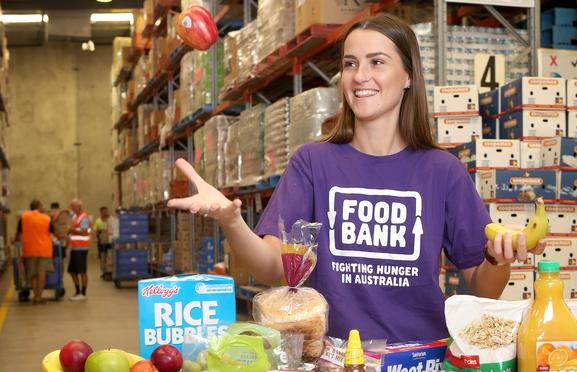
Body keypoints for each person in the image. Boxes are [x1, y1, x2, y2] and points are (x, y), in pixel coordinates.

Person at [168, 14, 546, 343]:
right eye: (350, 64)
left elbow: (483, 288)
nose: (360, 76)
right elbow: (273, 268)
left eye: (376, 62)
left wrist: (497, 261)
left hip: (417, 367)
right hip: (332, 366)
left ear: (409, 76)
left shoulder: (441, 171)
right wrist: (231, 221)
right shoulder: (313, 162)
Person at [15, 200, 54, 304]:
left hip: (29, 250)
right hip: (44, 250)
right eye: (42, 205)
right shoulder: (46, 218)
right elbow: (53, 232)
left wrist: (16, 242)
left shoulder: (23, 218)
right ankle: (38, 297)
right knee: (42, 273)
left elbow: (18, 234)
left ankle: (34, 297)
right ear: (38, 207)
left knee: (33, 274)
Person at [68, 198, 92, 301]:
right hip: (75, 248)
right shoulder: (75, 217)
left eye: (73, 206)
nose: (71, 208)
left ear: (78, 207)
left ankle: (83, 293)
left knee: (82, 271)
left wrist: (71, 230)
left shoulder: (84, 218)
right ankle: (77, 291)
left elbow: (84, 232)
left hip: (81, 249)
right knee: (72, 271)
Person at [93, 206, 112, 279]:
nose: (105, 213)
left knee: (110, 255)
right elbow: (95, 231)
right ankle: (104, 271)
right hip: (102, 240)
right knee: (102, 256)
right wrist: (95, 238)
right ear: (101, 213)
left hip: (110, 240)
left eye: (106, 211)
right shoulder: (98, 221)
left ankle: (110, 270)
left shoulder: (111, 219)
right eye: (103, 212)